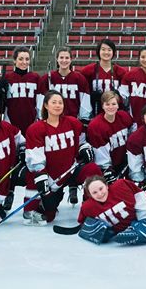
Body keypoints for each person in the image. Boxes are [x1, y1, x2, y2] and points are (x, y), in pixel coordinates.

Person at [23, 90, 101, 225]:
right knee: (48, 215)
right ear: (46, 105)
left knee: (92, 169)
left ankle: (91, 208)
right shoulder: (36, 129)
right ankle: (35, 206)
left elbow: (82, 141)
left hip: (71, 169)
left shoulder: (73, 123)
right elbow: (35, 159)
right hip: (51, 177)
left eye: (60, 102)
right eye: (54, 102)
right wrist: (44, 183)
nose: (58, 105)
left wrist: (84, 149)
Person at [77, 176, 146, 246]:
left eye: (101, 188)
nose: (100, 194)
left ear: (106, 185)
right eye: (94, 192)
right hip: (138, 226)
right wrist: (101, 232)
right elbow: (84, 227)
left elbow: (142, 200)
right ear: (90, 195)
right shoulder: (88, 208)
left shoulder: (121, 186)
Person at [87, 91, 135, 181]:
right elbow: (101, 154)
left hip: (125, 161)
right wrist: (107, 170)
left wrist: (131, 150)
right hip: (110, 167)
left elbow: (134, 133)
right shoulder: (96, 126)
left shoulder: (124, 116)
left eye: (114, 104)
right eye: (107, 104)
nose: (111, 107)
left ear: (118, 105)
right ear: (102, 106)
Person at [37, 47, 92, 123]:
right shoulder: (47, 78)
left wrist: (84, 119)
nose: (64, 60)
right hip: (52, 121)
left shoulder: (80, 79)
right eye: (61, 57)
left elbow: (85, 101)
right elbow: (41, 102)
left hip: (73, 121)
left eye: (67, 58)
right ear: (57, 59)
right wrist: (42, 117)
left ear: (71, 59)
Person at [80, 38, 127, 115]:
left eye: (109, 50)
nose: (106, 52)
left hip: (115, 113)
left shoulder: (121, 72)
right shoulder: (88, 70)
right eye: (103, 49)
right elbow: (84, 94)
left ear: (113, 52)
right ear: (98, 51)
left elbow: (125, 98)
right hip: (94, 113)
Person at [2, 46, 39, 134]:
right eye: (21, 59)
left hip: (31, 120)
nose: (24, 62)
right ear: (15, 60)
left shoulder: (35, 77)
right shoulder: (7, 78)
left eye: (27, 59)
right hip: (11, 120)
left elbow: (39, 102)